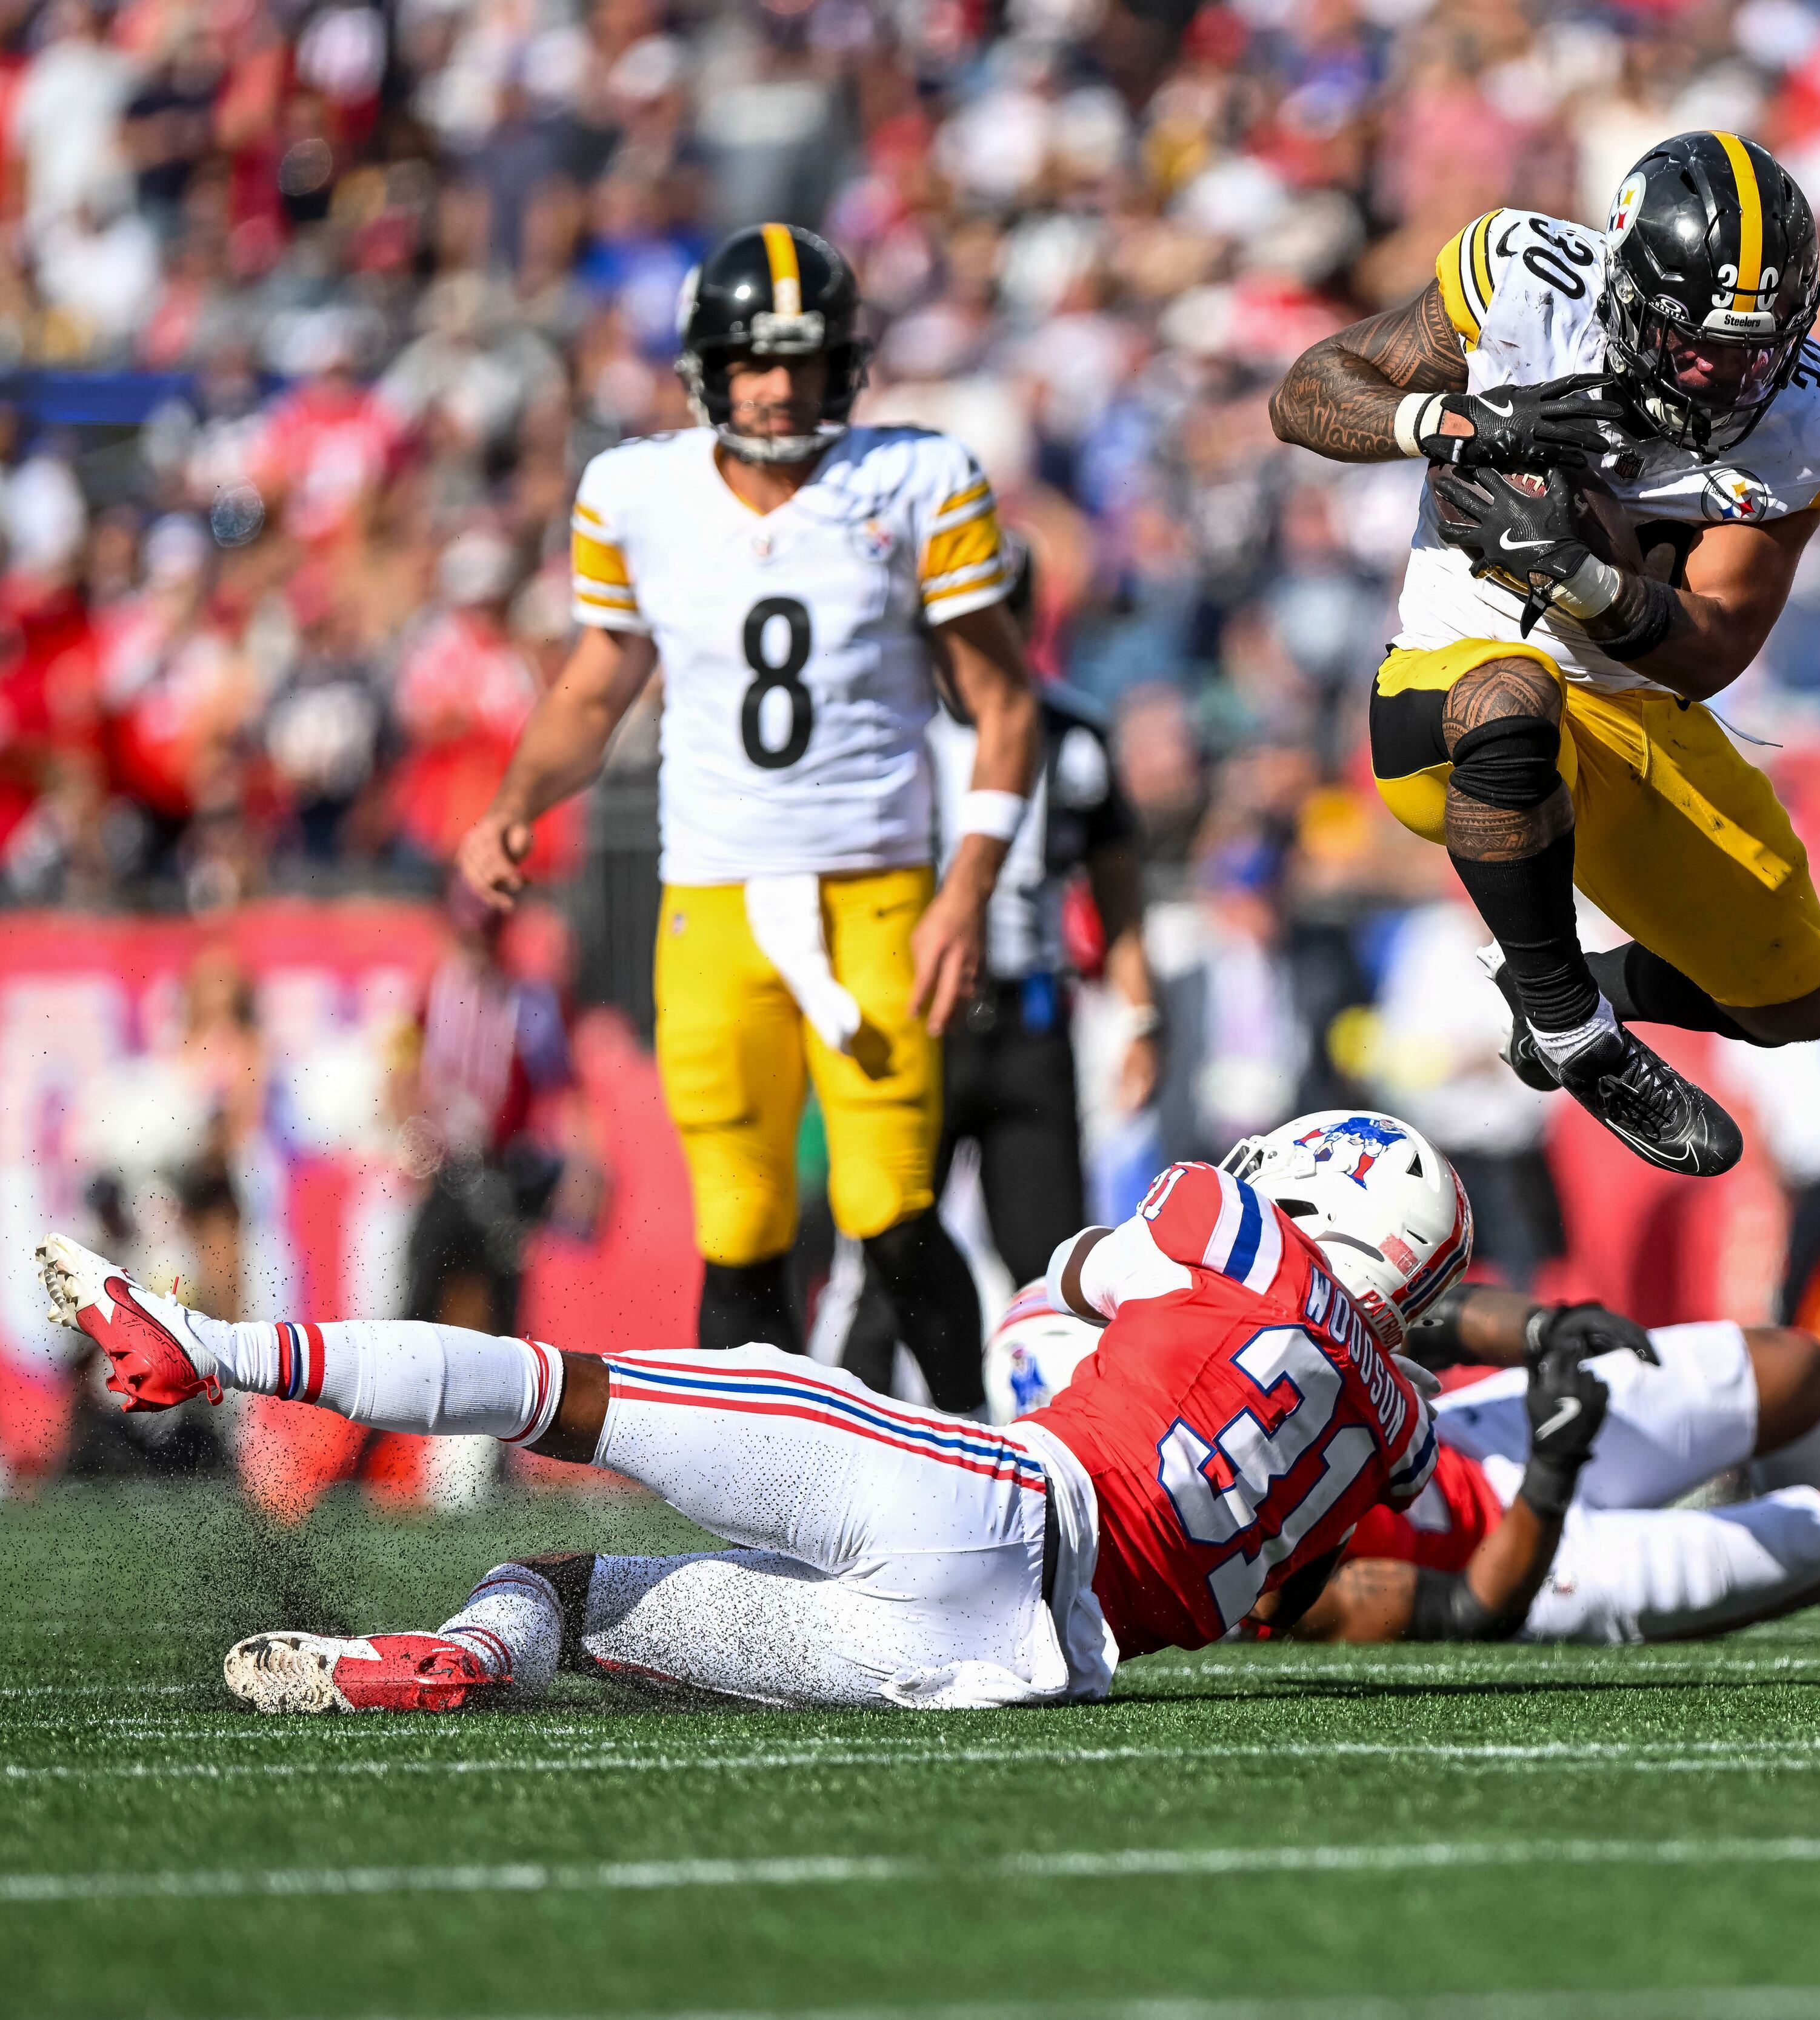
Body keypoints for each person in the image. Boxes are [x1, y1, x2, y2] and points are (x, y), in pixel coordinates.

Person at [44, 1109, 1470, 1713]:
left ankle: (210, 1343)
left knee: (558, 1392)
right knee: (561, 1591)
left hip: (985, 1494)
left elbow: (1079, 1272)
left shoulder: (1231, 1226)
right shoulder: (1397, 1432)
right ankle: (459, 1657)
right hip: (1013, 1663)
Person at [453, 222, 1038, 1413]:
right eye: (755, 360)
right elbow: (595, 685)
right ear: (706, 370)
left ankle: (987, 1455)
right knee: (738, 1220)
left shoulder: (917, 479)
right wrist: (514, 801)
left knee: (890, 1204)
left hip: (876, 887)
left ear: (844, 364)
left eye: (803, 358)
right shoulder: (636, 493)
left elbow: (1002, 701)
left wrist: (967, 886)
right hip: (712, 896)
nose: (778, 385)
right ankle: (755, 1493)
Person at [1268, 133, 1820, 1179]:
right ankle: (1572, 1028)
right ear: (1627, 293)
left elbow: (1717, 645)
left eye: (1753, 349)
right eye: (1692, 339)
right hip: (1453, 688)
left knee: (1794, 999)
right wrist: (1461, 423)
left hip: (1637, 706)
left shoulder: (1818, 419)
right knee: (1515, 695)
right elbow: (1308, 392)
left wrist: (1578, 577)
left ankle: (1567, 988)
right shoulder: (1529, 282)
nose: (1723, 373)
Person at [992, 1282, 1820, 1647]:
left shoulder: (1225, 1354)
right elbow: (1474, 1604)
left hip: (1467, 1448)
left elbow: (1395, 1310)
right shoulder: (1262, 1589)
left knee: (1796, 1367)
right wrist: (1552, 1465)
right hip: (1533, 1552)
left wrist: (1541, 1330)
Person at [835, 660, 1157, 1388]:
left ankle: (1060, 1433)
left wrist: (1140, 1016)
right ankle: (853, 1430)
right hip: (916, 1015)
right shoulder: (890, 719)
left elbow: (1118, 891)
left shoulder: (1072, 734)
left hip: (1029, 1020)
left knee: (1054, 1264)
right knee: (886, 1248)